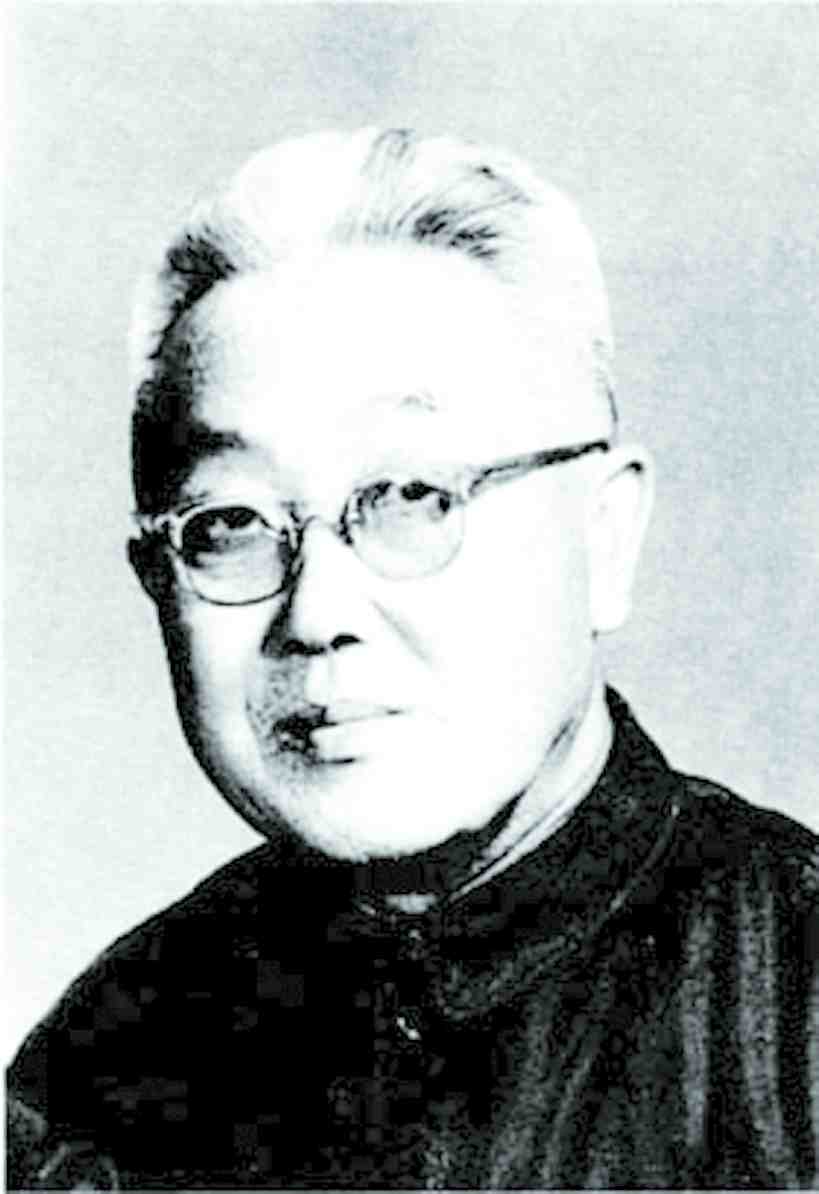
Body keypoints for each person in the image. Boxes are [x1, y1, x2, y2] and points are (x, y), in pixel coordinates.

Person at [7, 127, 818, 1191]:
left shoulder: (789, 1008)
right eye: (231, 522)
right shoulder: (100, 1067)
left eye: (412, 496)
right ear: (157, 580)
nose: (318, 613)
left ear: (605, 535)